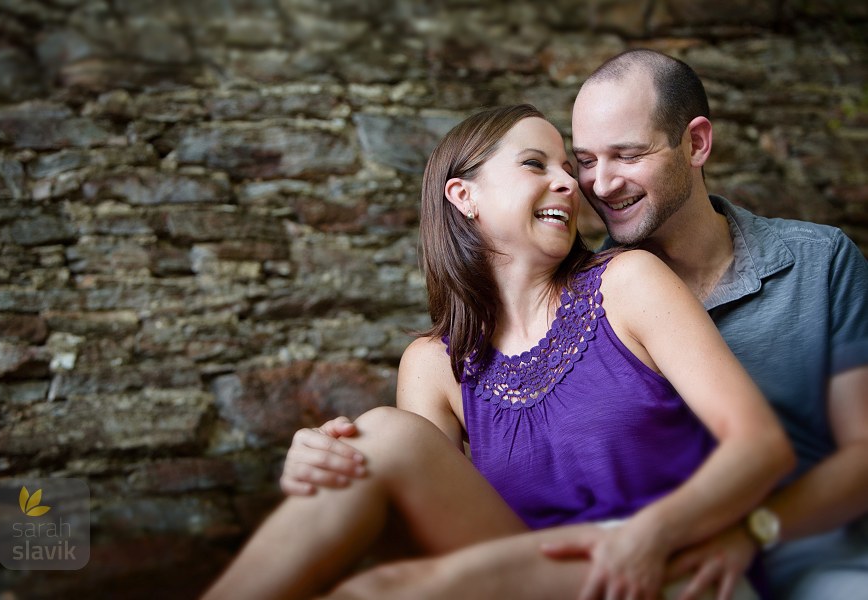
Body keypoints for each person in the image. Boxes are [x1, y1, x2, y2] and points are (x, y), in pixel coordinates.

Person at [282, 49, 868, 599]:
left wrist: (745, 531)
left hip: (797, 547)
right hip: (569, 565)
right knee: (381, 459)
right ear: (463, 198)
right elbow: (425, 507)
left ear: (695, 144)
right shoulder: (595, 290)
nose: (595, 184)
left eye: (628, 155)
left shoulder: (814, 262)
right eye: (584, 161)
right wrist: (330, 464)